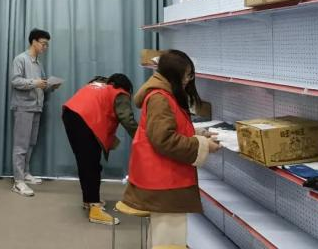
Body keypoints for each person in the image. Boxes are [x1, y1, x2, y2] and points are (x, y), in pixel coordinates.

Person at [122, 50, 220, 248]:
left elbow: (167, 129)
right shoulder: (160, 98)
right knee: (169, 240)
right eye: (187, 75)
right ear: (175, 74)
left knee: (164, 237)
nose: (188, 80)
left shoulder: (164, 94)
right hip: (166, 182)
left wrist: (197, 133)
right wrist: (202, 145)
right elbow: (164, 140)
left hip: (163, 180)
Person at [62, 73, 138, 225]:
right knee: (92, 165)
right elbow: (128, 120)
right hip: (85, 121)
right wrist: (142, 139)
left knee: (84, 162)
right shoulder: (120, 94)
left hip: (70, 114)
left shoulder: (97, 85)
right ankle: (95, 209)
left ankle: (89, 200)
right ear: (127, 87)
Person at [10, 28, 58, 197]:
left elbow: (41, 84)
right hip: (23, 106)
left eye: (47, 45)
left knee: (31, 143)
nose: (45, 47)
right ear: (34, 42)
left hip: (37, 107)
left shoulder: (38, 63)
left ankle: (25, 173)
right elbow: (15, 81)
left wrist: (50, 86)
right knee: (21, 145)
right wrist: (34, 83)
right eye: (43, 44)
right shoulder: (20, 59)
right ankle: (18, 181)